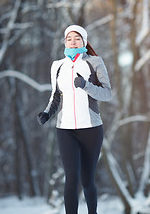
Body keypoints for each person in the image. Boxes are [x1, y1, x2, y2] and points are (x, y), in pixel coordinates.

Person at [38, 24, 112, 214]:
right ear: (64, 42)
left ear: (84, 42)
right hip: (65, 130)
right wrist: (47, 113)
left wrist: (86, 85)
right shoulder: (57, 66)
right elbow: (56, 95)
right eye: (69, 38)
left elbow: (107, 94)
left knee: (87, 180)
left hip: (91, 129)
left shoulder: (95, 62)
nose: (73, 42)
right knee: (71, 177)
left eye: (77, 38)